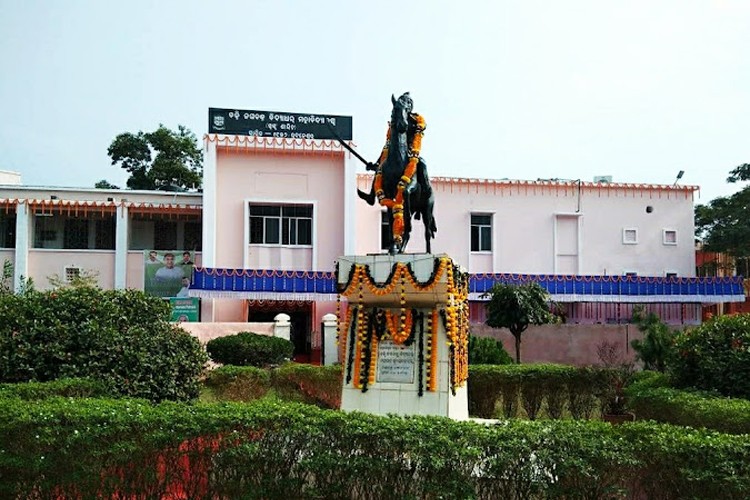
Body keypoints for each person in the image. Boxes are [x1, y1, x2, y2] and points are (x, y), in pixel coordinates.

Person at [358, 92, 432, 205]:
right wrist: (376, 163)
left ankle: (425, 193)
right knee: (381, 169)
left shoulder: (415, 119)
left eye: (408, 102)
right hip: (395, 151)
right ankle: (371, 196)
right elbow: (387, 145)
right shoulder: (395, 120)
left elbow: (420, 130)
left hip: (410, 152)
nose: (406, 103)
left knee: (422, 164)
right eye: (403, 101)